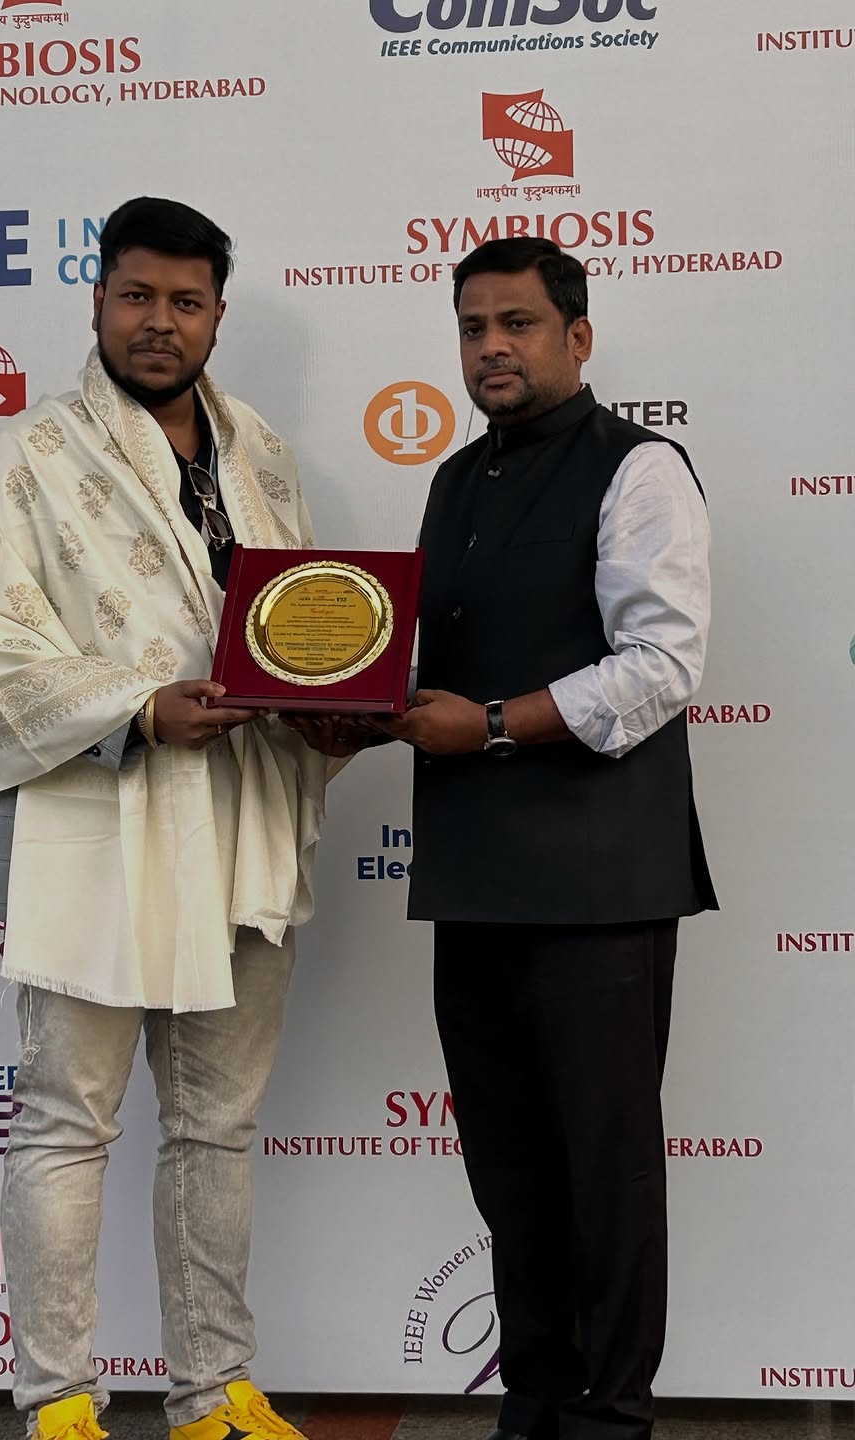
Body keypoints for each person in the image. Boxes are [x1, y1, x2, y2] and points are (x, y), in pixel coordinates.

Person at [297, 236, 716, 1439]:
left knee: (606, 1172)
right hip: (475, 876)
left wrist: (484, 724)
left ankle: (610, 1422)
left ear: (577, 338)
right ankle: (533, 1406)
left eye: (518, 324)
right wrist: (359, 718)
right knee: (510, 1170)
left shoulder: (640, 468)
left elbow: (661, 665)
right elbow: (447, 668)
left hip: (598, 881)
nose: (492, 347)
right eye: (474, 326)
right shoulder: (452, 482)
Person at [0, 196, 330, 1440]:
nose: (160, 322)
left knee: (215, 1126)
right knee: (67, 1121)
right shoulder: (27, 454)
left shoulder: (261, 452)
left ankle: (214, 1391)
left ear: (217, 313)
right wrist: (140, 709)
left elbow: (303, 620)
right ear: (98, 300)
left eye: (186, 301)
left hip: (241, 816)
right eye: (137, 296)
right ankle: (59, 1401)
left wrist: (330, 708)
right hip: (94, 822)